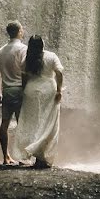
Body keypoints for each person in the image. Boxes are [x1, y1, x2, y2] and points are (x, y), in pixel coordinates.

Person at [14, 35, 64, 168]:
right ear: (42, 44)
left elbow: (24, 78)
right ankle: (40, 157)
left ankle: (27, 152)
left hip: (31, 91)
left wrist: (24, 92)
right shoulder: (51, 56)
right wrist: (59, 90)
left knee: (30, 123)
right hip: (48, 91)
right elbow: (59, 72)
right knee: (48, 124)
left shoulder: (27, 58)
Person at [0, 20, 27, 165]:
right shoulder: (23, 49)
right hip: (20, 90)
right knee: (23, 125)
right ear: (19, 31)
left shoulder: (1, 50)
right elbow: (25, 72)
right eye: (22, 29)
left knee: (4, 124)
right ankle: (23, 157)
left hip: (7, 91)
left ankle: (5, 157)